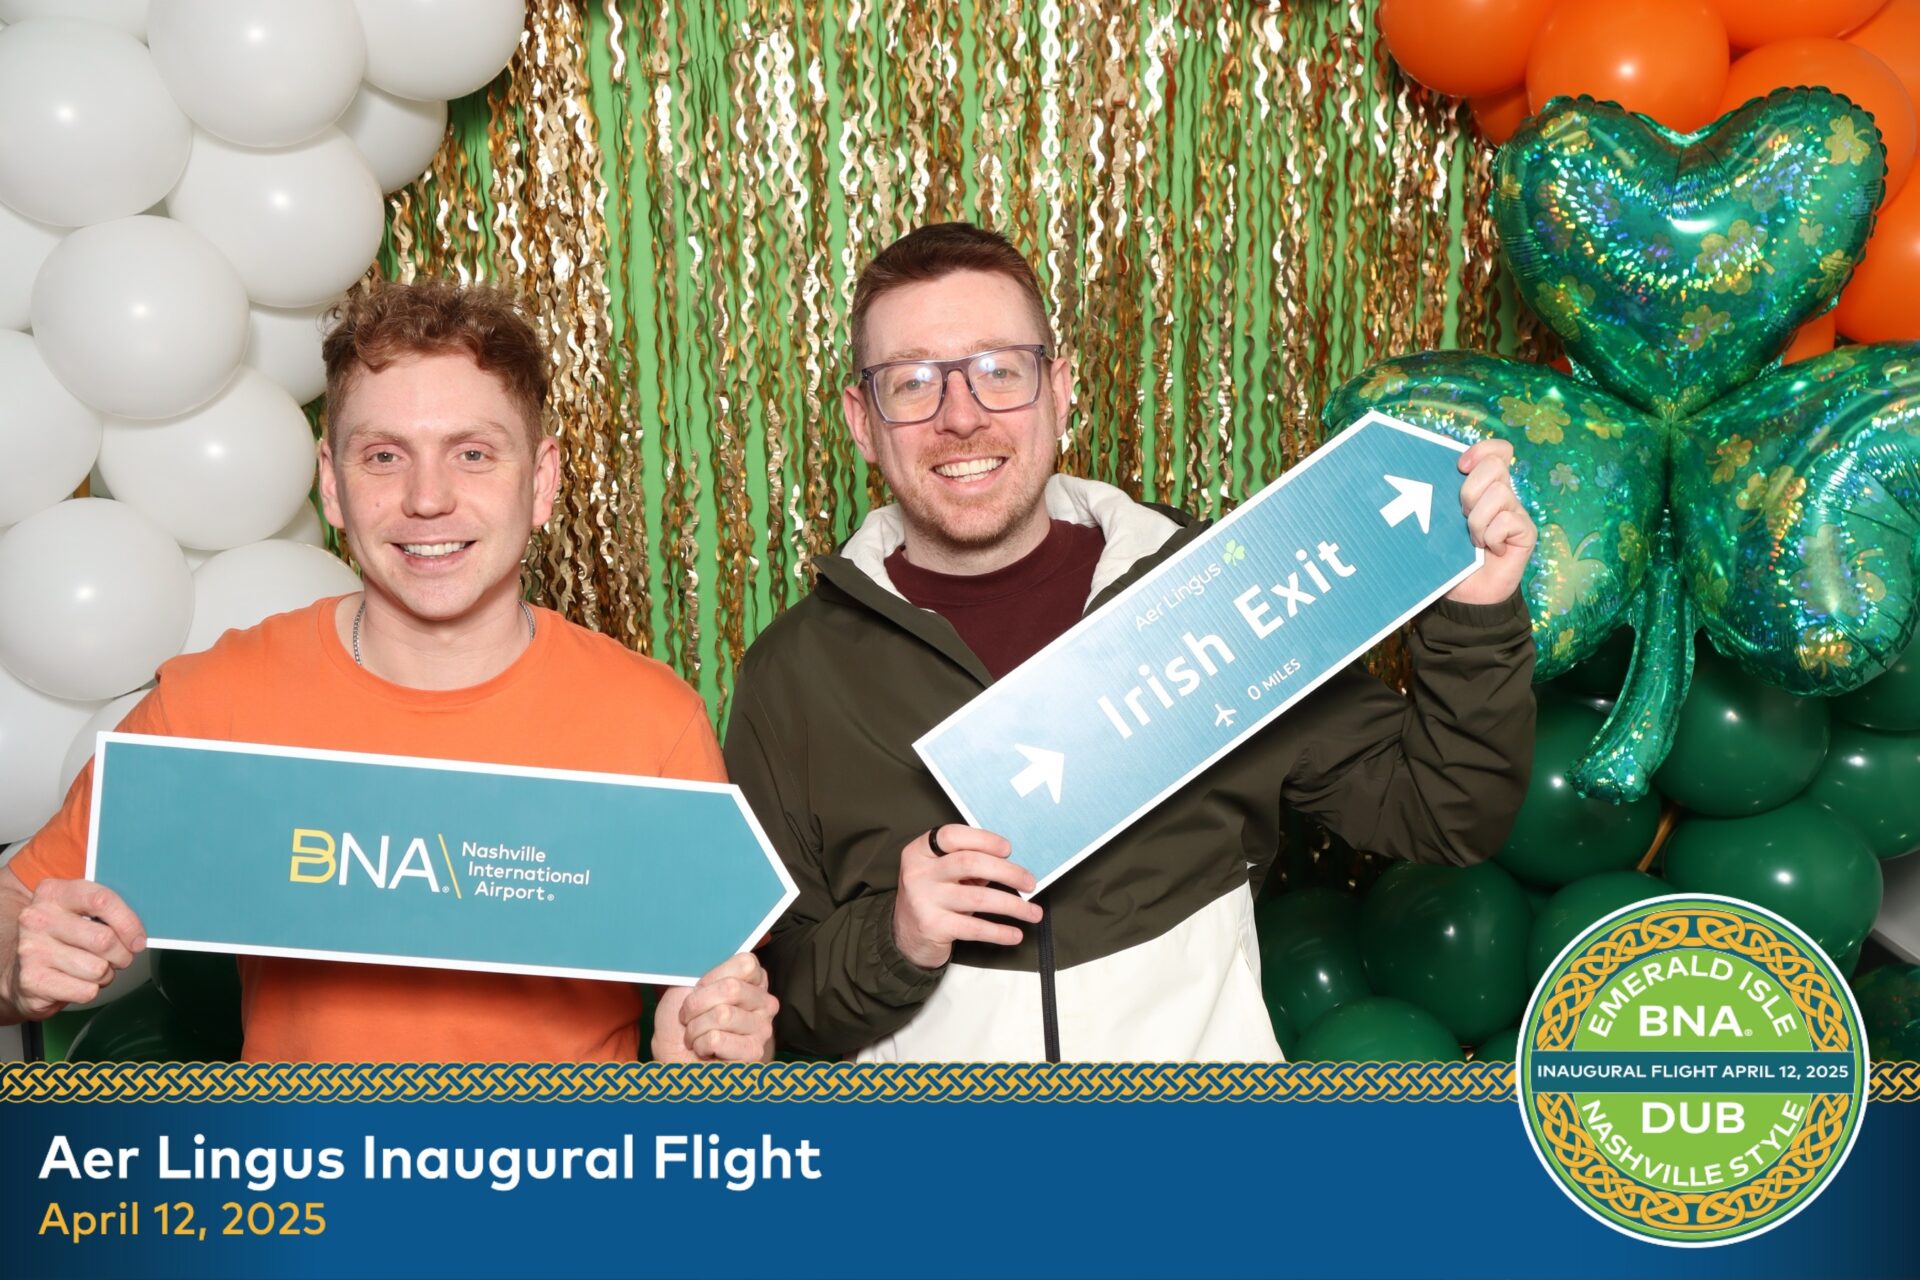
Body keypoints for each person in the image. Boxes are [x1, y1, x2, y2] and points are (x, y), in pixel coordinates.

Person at [723, 222, 1538, 1061]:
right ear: (863, 422)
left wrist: (1474, 617)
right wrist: (898, 936)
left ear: (1059, 389)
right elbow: (774, 1008)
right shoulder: (793, 678)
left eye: (1001, 371)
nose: (961, 416)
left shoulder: (1212, 595)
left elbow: (1447, 812)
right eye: (913, 383)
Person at [0, 280, 776, 1064]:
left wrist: (709, 1063)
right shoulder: (221, 696)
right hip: (306, 1146)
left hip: (559, 1145)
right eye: (383, 457)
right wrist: (15, 962)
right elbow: (19, 901)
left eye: (472, 455)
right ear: (332, 484)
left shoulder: (651, 720)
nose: (427, 499)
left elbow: (714, 1015)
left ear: (541, 482)